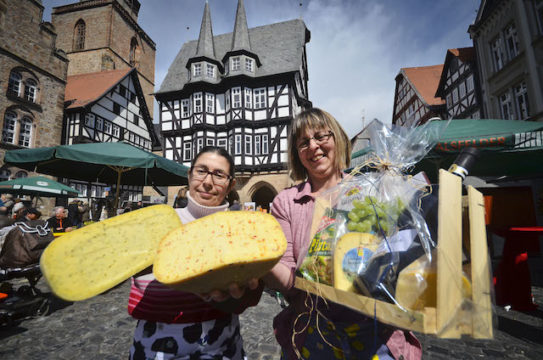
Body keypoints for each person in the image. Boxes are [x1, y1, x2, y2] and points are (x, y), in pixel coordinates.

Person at [263, 108, 422, 360]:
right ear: (297, 154)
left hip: (374, 331)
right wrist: (262, 259)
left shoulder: (370, 191)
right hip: (313, 332)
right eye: (303, 142)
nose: (313, 146)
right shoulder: (286, 202)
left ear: (336, 138)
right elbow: (287, 277)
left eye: (320, 137)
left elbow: (402, 255)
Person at [127, 146, 263, 360]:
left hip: (222, 347)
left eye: (219, 175)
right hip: (156, 348)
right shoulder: (157, 224)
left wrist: (241, 295)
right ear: (189, 175)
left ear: (230, 185)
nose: (208, 182)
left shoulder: (240, 229)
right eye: (201, 171)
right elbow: (136, 279)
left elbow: (249, 297)